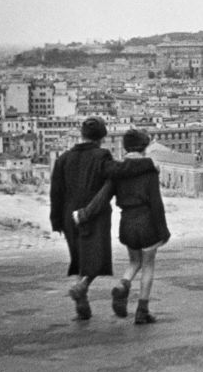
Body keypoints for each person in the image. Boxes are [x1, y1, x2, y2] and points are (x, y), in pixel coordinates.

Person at [50, 117, 157, 320]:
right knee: (96, 258)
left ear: (82, 134)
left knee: (81, 258)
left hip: (69, 215)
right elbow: (119, 171)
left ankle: (82, 298)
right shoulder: (101, 156)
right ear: (101, 138)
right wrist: (147, 165)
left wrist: (57, 221)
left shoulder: (63, 158)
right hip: (95, 214)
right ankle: (81, 287)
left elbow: (56, 192)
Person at [73, 129, 170, 324]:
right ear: (144, 148)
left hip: (127, 223)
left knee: (134, 261)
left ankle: (123, 285)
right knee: (148, 265)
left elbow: (102, 198)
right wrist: (163, 231)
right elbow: (156, 203)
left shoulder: (117, 171)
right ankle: (142, 310)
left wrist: (83, 215)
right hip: (147, 222)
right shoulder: (149, 170)